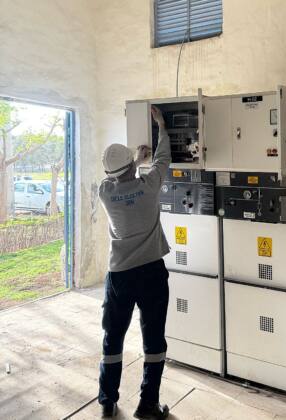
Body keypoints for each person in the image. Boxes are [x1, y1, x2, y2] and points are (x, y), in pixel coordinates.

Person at [98, 106, 171, 419]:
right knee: (153, 339)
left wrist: (135, 162)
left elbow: (119, 178)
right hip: (151, 272)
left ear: (109, 175)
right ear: (131, 166)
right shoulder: (149, 186)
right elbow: (163, 159)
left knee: (113, 337)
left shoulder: (105, 192)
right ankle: (148, 405)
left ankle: (107, 401)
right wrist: (162, 126)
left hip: (120, 276)